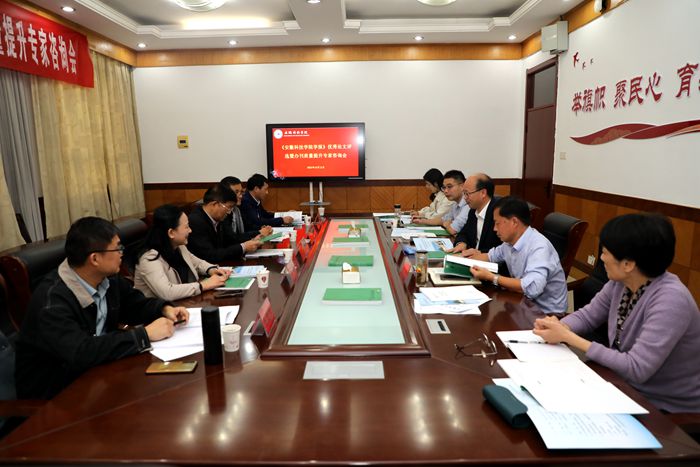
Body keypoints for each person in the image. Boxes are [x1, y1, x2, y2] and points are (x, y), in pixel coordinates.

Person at [533, 213, 700, 413]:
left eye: (605, 252)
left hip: (664, 408)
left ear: (628, 264)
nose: (601, 258)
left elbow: (637, 368)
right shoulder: (621, 283)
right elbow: (588, 316)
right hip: (623, 385)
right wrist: (561, 326)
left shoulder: (671, 300)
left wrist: (568, 337)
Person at [15, 217, 189, 399]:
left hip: (99, 377)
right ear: (95, 259)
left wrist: (164, 309)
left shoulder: (107, 279)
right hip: (56, 396)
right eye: (117, 248)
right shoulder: (51, 302)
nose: (122, 253)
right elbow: (81, 352)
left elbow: (135, 305)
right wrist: (143, 335)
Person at [469, 196, 567, 314]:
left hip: (546, 314)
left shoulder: (539, 247)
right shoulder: (509, 242)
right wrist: (461, 260)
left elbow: (532, 288)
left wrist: (492, 277)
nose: (494, 229)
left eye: (497, 223)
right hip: (521, 302)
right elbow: (490, 256)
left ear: (514, 222)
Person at [134, 205, 231, 301]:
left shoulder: (178, 246)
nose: (190, 230)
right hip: (163, 310)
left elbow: (197, 263)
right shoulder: (149, 259)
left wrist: (211, 270)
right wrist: (203, 285)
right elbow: (167, 292)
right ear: (171, 233)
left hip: (184, 303)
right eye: (187, 227)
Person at [188, 184, 262, 263]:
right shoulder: (196, 221)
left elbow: (231, 240)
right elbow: (209, 255)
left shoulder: (218, 218)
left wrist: (252, 241)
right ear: (215, 204)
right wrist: (243, 247)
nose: (229, 212)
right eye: (229, 207)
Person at [449, 173, 502, 256]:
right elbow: (463, 233)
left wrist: (480, 253)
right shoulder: (473, 211)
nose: (465, 198)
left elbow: (503, 248)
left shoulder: (499, 213)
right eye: (464, 193)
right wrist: (462, 243)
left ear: (483, 193)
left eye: (467, 193)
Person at [411, 169, 469, 235]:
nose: (445, 191)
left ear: (462, 186)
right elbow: (442, 220)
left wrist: (446, 224)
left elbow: (453, 230)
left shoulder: (468, 204)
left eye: (449, 187)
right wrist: (422, 221)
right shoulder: (455, 203)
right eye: (444, 187)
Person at [220, 176, 273, 240]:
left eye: (241, 192)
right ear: (225, 193)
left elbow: (248, 226)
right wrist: (259, 232)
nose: (240, 196)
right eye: (236, 192)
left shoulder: (236, 209)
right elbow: (232, 238)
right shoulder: (222, 212)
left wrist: (261, 229)